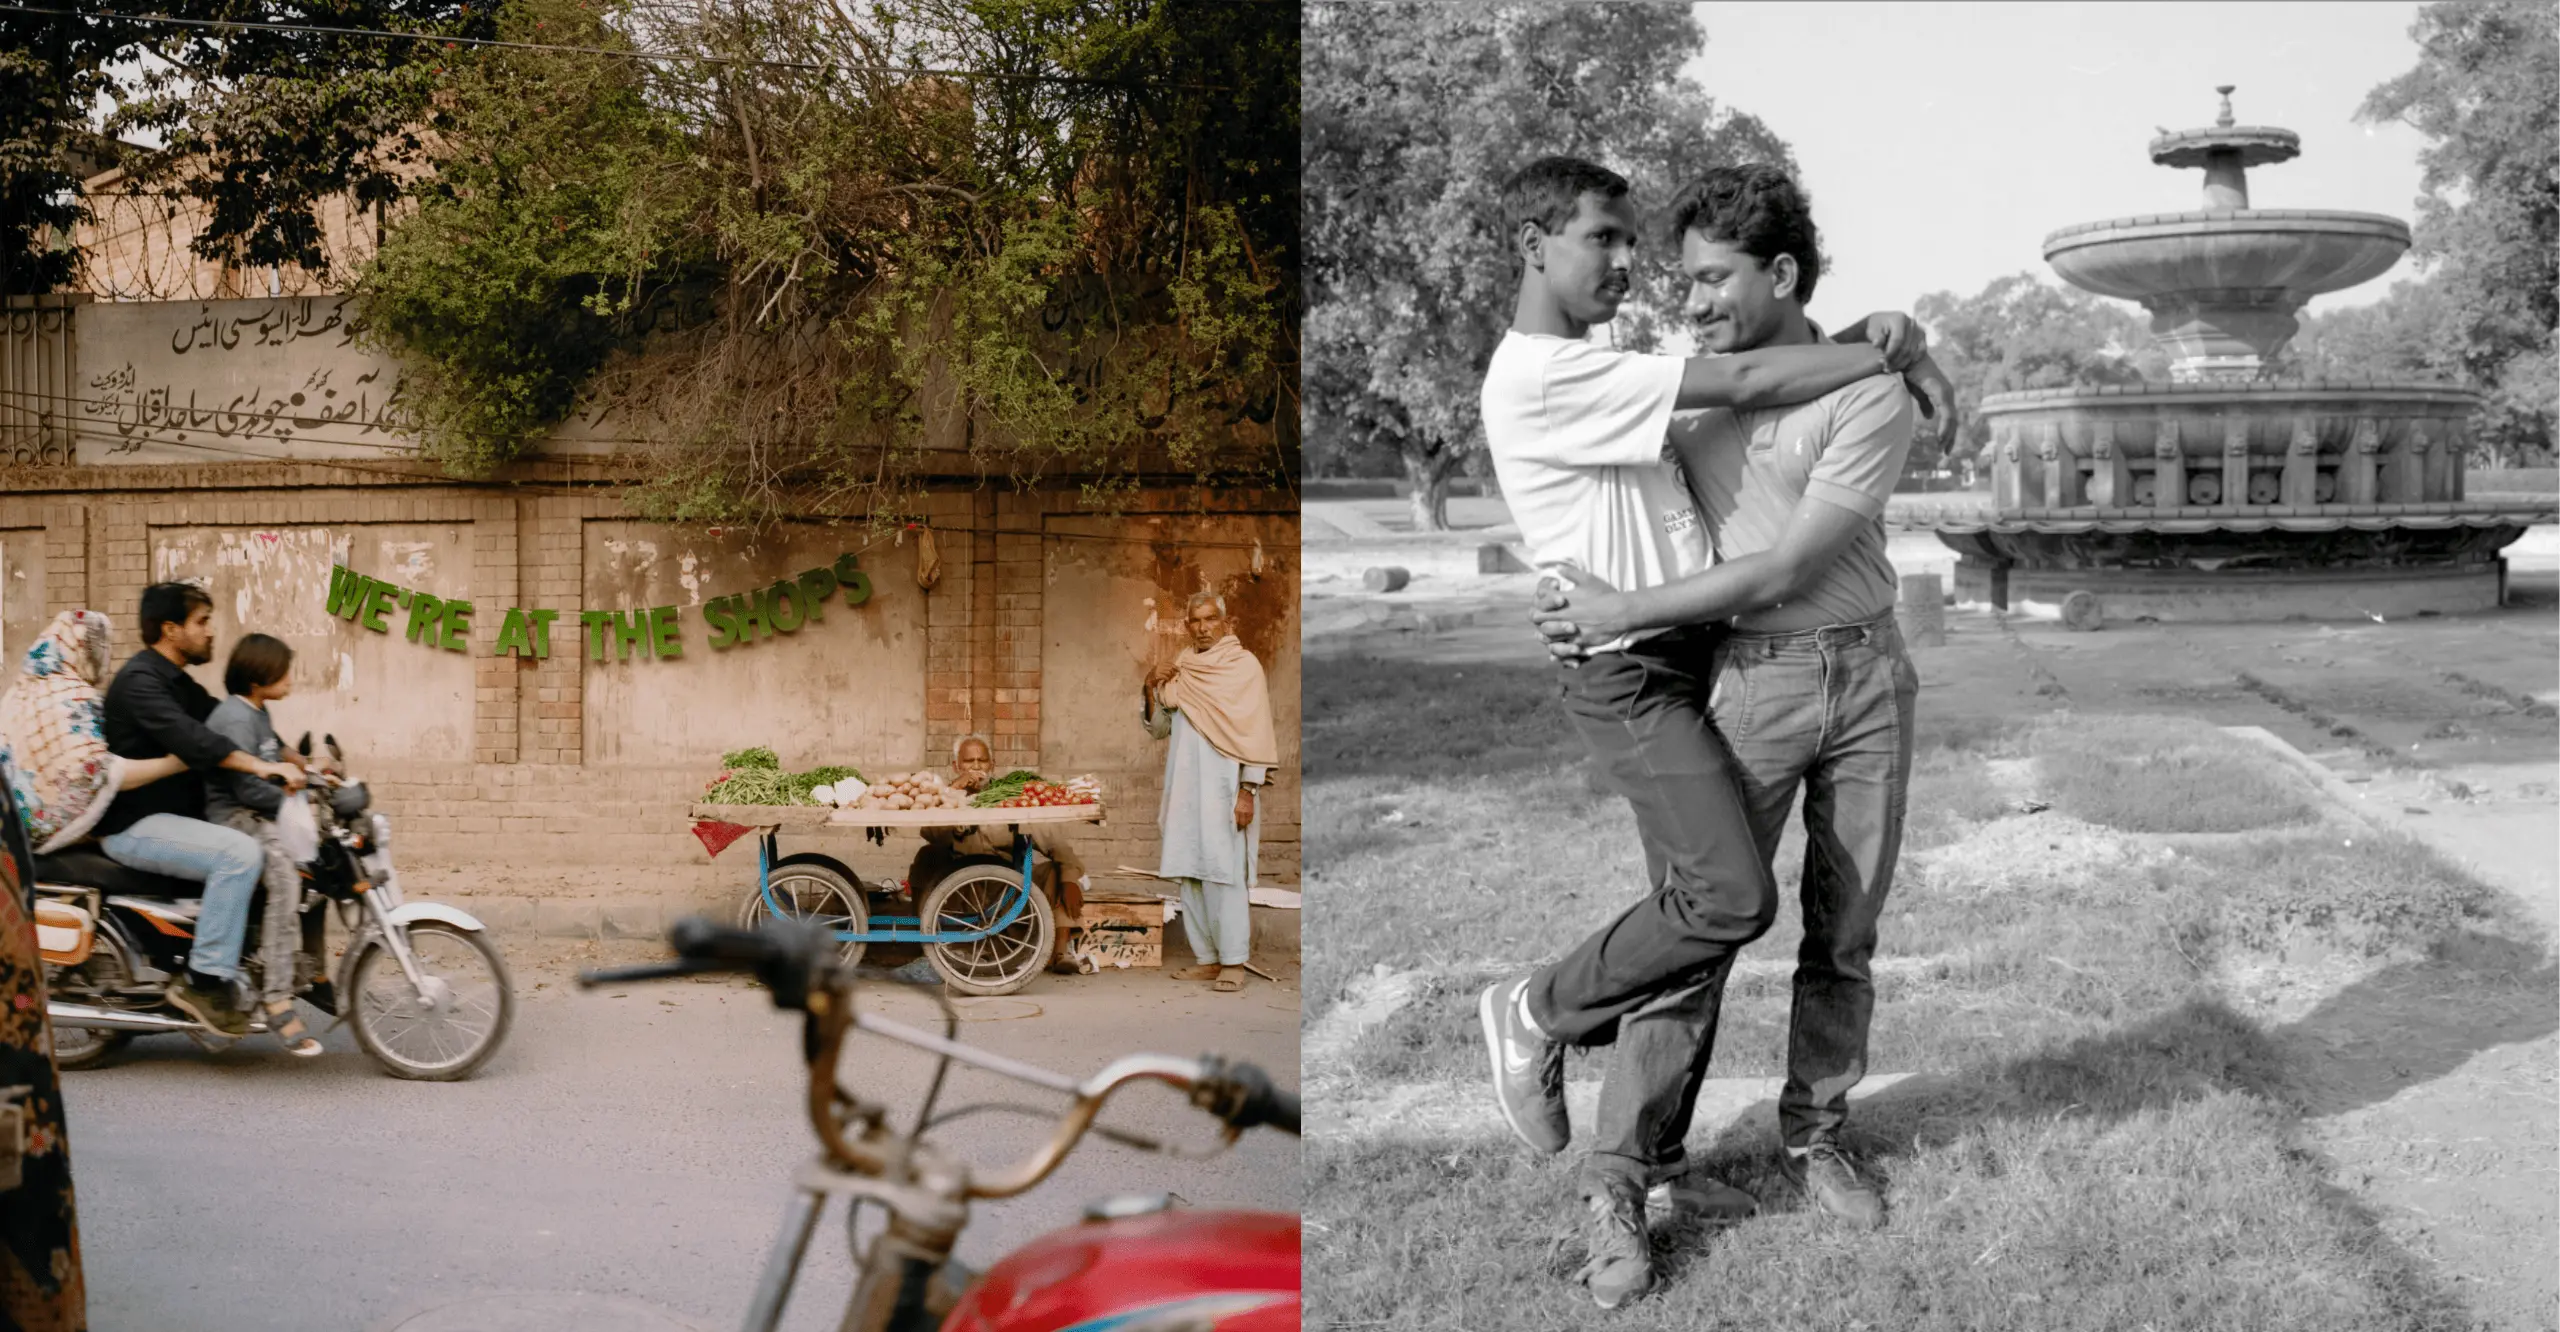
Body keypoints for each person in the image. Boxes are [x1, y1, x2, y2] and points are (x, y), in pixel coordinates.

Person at [1469, 155, 1951, 1309]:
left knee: (1845, 933)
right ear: (1539, 245)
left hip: (1862, 675)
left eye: (1707, 276)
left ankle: (1814, 1136)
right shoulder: (1661, 379)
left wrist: (1899, 343)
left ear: (1780, 274)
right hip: (1736, 674)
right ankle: (1620, 1179)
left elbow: (1789, 557)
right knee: (1710, 918)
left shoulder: (1855, 390)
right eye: (1656, 266)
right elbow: (1613, 457)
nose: (1678, 295)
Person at [93, 583, 305, 1037]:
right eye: (202, 622)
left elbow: (228, 721)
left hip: (175, 820)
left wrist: (302, 762)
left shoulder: (178, 684)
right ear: (171, 630)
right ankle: (205, 982)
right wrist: (263, 767)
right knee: (239, 854)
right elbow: (201, 743)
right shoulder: (140, 684)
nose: (211, 633)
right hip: (135, 825)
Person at [1144, 593, 1278, 993]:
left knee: (1225, 873)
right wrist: (1151, 685)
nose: (1202, 628)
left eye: (1210, 619)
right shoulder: (1182, 667)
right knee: (1190, 873)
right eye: (1195, 621)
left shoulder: (1244, 667)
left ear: (1225, 621)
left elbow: (1256, 731)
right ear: (1188, 625)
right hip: (1184, 786)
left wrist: (1247, 791)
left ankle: (1233, 961)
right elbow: (1159, 728)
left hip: (1225, 788)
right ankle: (1207, 959)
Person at [202, 633, 324, 1057]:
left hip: (258, 812)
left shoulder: (256, 711)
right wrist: (297, 802)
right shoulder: (234, 717)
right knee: (287, 880)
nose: (291, 677)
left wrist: (312, 767)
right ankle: (275, 997)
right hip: (235, 818)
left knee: (319, 866)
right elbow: (248, 789)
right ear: (259, 677)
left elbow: (276, 748)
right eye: (283, 670)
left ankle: (315, 974)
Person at [909, 734, 1091, 975]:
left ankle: (1060, 952)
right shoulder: (944, 797)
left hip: (1008, 889)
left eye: (982, 761)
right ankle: (926, 942)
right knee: (926, 856)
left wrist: (1069, 878)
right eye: (968, 761)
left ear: (992, 765)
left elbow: (1055, 844)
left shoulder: (1009, 797)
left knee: (1055, 870)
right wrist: (954, 791)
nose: (976, 767)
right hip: (963, 890)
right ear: (956, 766)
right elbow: (931, 832)